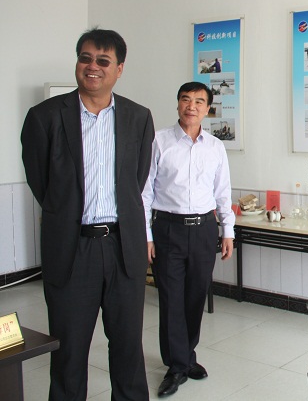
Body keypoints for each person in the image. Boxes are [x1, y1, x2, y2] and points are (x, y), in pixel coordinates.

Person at [20, 28, 154, 400]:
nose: (92, 67)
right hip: (71, 248)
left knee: (128, 347)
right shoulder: (45, 116)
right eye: (85, 58)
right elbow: (41, 182)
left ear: (119, 69)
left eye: (103, 61)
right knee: (68, 350)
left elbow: (137, 179)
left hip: (122, 247)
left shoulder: (138, 117)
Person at [142, 81, 235, 397]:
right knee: (171, 298)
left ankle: (185, 356)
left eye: (198, 101)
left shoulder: (215, 146)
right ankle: (177, 365)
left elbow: (223, 192)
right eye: (185, 99)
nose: (191, 106)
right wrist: (147, 236)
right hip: (168, 228)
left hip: (204, 229)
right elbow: (145, 192)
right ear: (178, 104)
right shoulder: (159, 141)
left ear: (207, 109)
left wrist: (227, 231)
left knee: (195, 297)